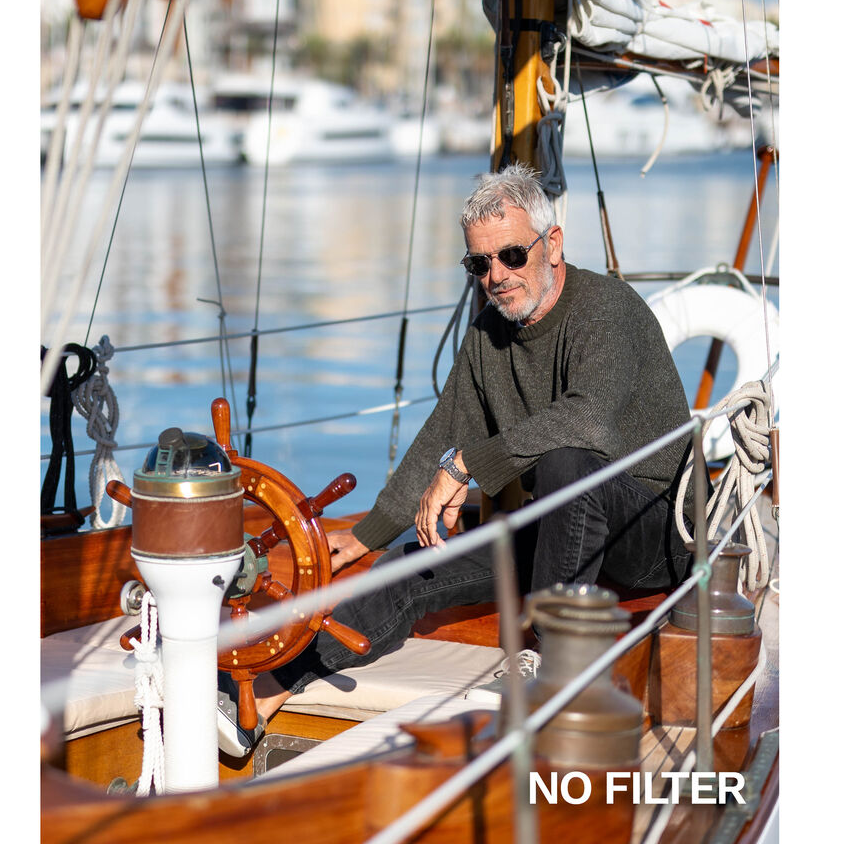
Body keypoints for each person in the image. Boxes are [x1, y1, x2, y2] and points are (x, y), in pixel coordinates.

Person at [226, 162, 693, 741]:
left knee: (567, 460)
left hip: (657, 535)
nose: (497, 275)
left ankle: (551, 668)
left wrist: (467, 466)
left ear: (552, 245)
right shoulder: (487, 334)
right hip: (565, 525)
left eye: (512, 256)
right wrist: (366, 537)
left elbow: (589, 420)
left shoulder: (607, 309)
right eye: (480, 263)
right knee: (410, 566)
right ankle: (267, 689)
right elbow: (443, 430)